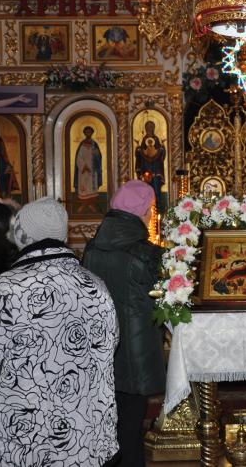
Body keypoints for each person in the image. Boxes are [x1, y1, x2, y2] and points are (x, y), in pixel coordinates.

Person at [0, 198, 120, 466]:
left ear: (22, 235)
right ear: (63, 236)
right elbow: (107, 349)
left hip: (26, 443)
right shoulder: (95, 285)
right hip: (86, 442)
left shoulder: (5, 288)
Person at [83, 181, 166, 467]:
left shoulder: (92, 248)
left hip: (102, 346)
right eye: (150, 209)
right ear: (142, 211)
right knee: (131, 425)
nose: (151, 214)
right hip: (135, 350)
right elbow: (163, 301)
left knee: (111, 423)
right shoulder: (146, 253)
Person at [135, 120, 167, 209]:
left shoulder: (156, 139)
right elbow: (139, 154)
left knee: (156, 186)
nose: (149, 129)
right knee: (145, 187)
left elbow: (161, 154)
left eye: (151, 127)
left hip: (156, 169)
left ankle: (157, 206)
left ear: (153, 128)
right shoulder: (144, 140)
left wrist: (162, 148)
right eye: (148, 127)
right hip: (145, 168)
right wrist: (138, 149)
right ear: (145, 129)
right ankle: (146, 207)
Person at [74, 125, 103, 212]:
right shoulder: (82, 144)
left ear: (92, 133)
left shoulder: (94, 144)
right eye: (87, 132)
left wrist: (96, 153)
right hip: (83, 170)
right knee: (84, 187)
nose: (88, 133)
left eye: (90, 132)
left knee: (92, 187)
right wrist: (84, 166)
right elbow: (79, 157)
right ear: (84, 133)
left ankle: (91, 205)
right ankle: (83, 204)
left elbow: (99, 157)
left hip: (93, 171)